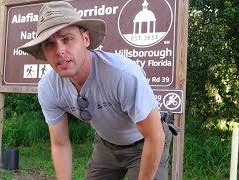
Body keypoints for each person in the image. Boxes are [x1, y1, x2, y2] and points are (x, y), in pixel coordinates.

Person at [19, 1, 172, 179]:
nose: (60, 50)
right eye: (49, 44)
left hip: (146, 141)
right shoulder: (49, 88)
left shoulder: (121, 74)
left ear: (86, 39)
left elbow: (154, 136)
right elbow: (60, 144)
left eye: (67, 39)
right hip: (106, 145)